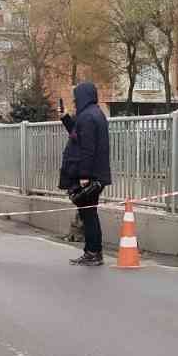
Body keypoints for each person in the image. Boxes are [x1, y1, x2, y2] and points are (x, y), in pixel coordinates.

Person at [67, 82, 110, 266]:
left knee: (88, 214)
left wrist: (84, 175)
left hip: (90, 175)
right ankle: (92, 251)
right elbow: (78, 135)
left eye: (76, 97)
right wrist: (65, 119)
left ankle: (93, 252)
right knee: (89, 214)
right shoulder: (95, 114)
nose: (74, 101)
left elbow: (87, 148)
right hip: (97, 174)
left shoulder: (87, 117)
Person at [58, 114, 83, 243]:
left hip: (79, 174)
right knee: (80, 205)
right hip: (74, 173)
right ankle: (76, 233)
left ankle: (79, 234)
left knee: (84, 206)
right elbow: (73, 129)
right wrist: (65, 118)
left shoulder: (85, 131)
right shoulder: (78, 130)